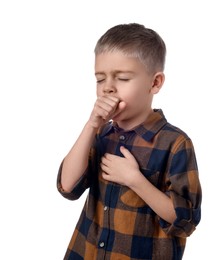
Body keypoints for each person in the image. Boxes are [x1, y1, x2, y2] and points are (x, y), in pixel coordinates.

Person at [57, 23, 202, 260]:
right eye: (100, 79)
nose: (108, 89)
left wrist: (135, 180)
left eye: (122, 78)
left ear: (154, 83)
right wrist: (91, 125)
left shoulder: (174, 143)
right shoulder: (100, 135)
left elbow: (185, 220)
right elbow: (68, 187)